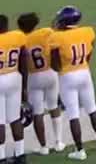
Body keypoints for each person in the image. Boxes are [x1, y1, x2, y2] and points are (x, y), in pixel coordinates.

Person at [46, 6, 96, 159]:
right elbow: (89, 54)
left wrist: (61, 70)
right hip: (84, 72)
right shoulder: (88, 31)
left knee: (74, 115)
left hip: (67, 76)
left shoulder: (56, 38)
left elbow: (54, 64)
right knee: (92, 109)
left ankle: (80, 150)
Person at [20, 11, 63, 154]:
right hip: (50, 73)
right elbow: (54, 34)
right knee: (53, 106)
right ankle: (59, 141)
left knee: (38, 113)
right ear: (36, 24)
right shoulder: (46, 32)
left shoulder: (22, 39)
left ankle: (43, 147)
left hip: (34, 77)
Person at [0, 13, 22, 160]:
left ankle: (1, 156)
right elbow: (24, 60)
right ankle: (20, 154)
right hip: (14, 77)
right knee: (15, 118)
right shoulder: (17, 36)